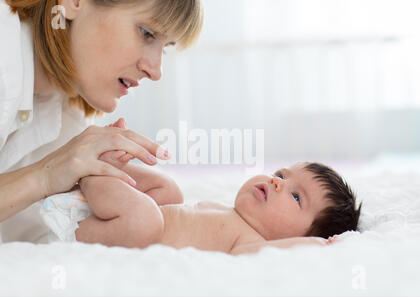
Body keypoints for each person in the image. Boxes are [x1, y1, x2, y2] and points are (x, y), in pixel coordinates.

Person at [0, 0, 203, 243]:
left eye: (166, 47)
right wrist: (45, 175)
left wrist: (119, 196)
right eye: (146, 33)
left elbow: (35, 235)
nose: (156, 71)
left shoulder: (67, 115)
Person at [41, 141, 362, 254]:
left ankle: (93, 173)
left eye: (295, 197)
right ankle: (111, 165)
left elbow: (258, 259)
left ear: (299, 236)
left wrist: (311, 246)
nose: (277, 183)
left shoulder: (249, 244)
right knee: (171, 190)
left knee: (147, 220)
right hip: (116, 213)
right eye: (281, 174)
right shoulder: (229, 213)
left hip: (100, 230)